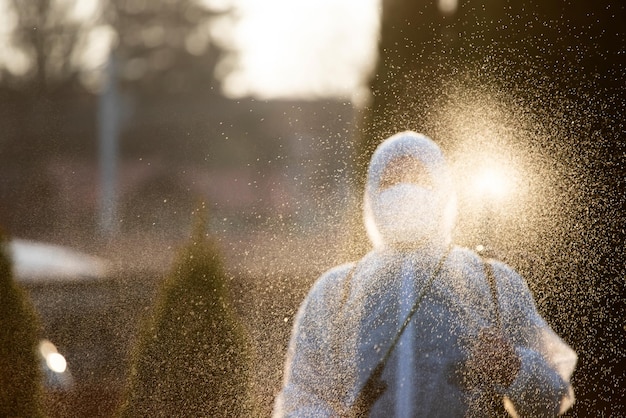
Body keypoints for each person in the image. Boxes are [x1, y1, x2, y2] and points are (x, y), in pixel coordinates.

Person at [273, 131, 577, 417]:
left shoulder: (494, 284)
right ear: (371, 193)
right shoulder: (335, 291)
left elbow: (552, 400)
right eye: (391, 180)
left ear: (443, 190)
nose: (405, 189)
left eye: (418, 177)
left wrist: (514, 368)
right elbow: (301, 396)